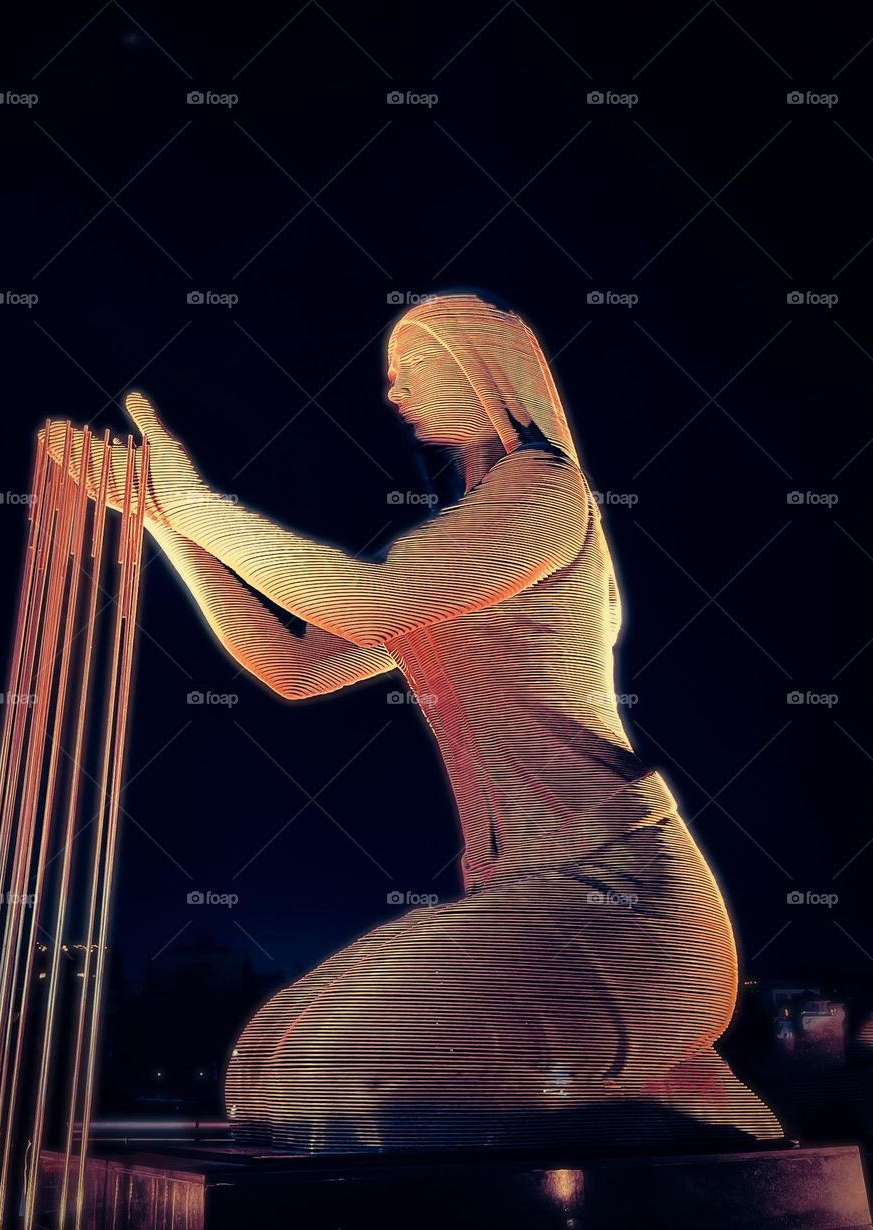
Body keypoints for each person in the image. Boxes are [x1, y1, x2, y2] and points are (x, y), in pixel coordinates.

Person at [44, 293, 783, 1150]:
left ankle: (673, 1118)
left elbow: (368, 599)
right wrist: (164, 517)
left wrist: (199, 504)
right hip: (524, 898)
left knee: (345, 1079)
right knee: (260, 1071)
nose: (394, 392)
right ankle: (668, 1095)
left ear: (487, 374)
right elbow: (295, 666)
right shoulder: (465, 546)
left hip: (626, 904)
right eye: (392, 376)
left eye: (416, 367)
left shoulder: (546, 491)